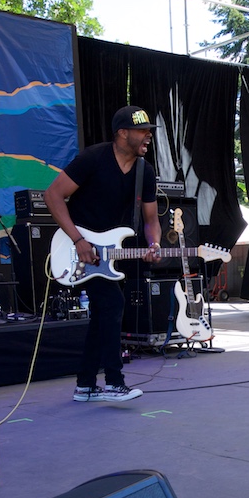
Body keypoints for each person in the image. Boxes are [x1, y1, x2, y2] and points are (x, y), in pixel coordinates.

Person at [44, 106, 162, 402]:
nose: (148, 136)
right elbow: (53, 195)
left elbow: (151, 219)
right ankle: (113, 381)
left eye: (149, 131)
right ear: (122, 133)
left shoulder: (144, 172)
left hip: (109, 254)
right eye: (142, 130)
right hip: (78, 249)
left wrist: (154, 244)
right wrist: (78, 240)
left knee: (103, 313)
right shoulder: (94, 158)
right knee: (112, 304)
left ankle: (85, 385)